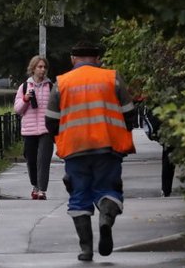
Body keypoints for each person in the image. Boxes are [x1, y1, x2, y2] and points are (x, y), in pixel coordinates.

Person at [45, 42, 137, 262]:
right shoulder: (112, 78)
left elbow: (50, 122)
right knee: (109, 190)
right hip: (108, 147)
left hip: (75, 150)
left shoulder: (61, 83)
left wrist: (63, 136)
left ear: (73, 59)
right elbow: (129, 114)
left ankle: (86, 249)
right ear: (98, 59)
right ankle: (106, 218)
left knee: (78, 197)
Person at [13, 55, 55, 200]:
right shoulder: (24, 87)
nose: (42, 70)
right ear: (33, 68)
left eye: (44, 67)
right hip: (29, 130)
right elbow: (17, 110)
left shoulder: (51, 87)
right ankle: (35, 186)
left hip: (46, 129)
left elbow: (58, 108)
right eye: (39, 67)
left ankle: (42, 189)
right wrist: (25, 99)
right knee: (31, 160)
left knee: (43, 159)